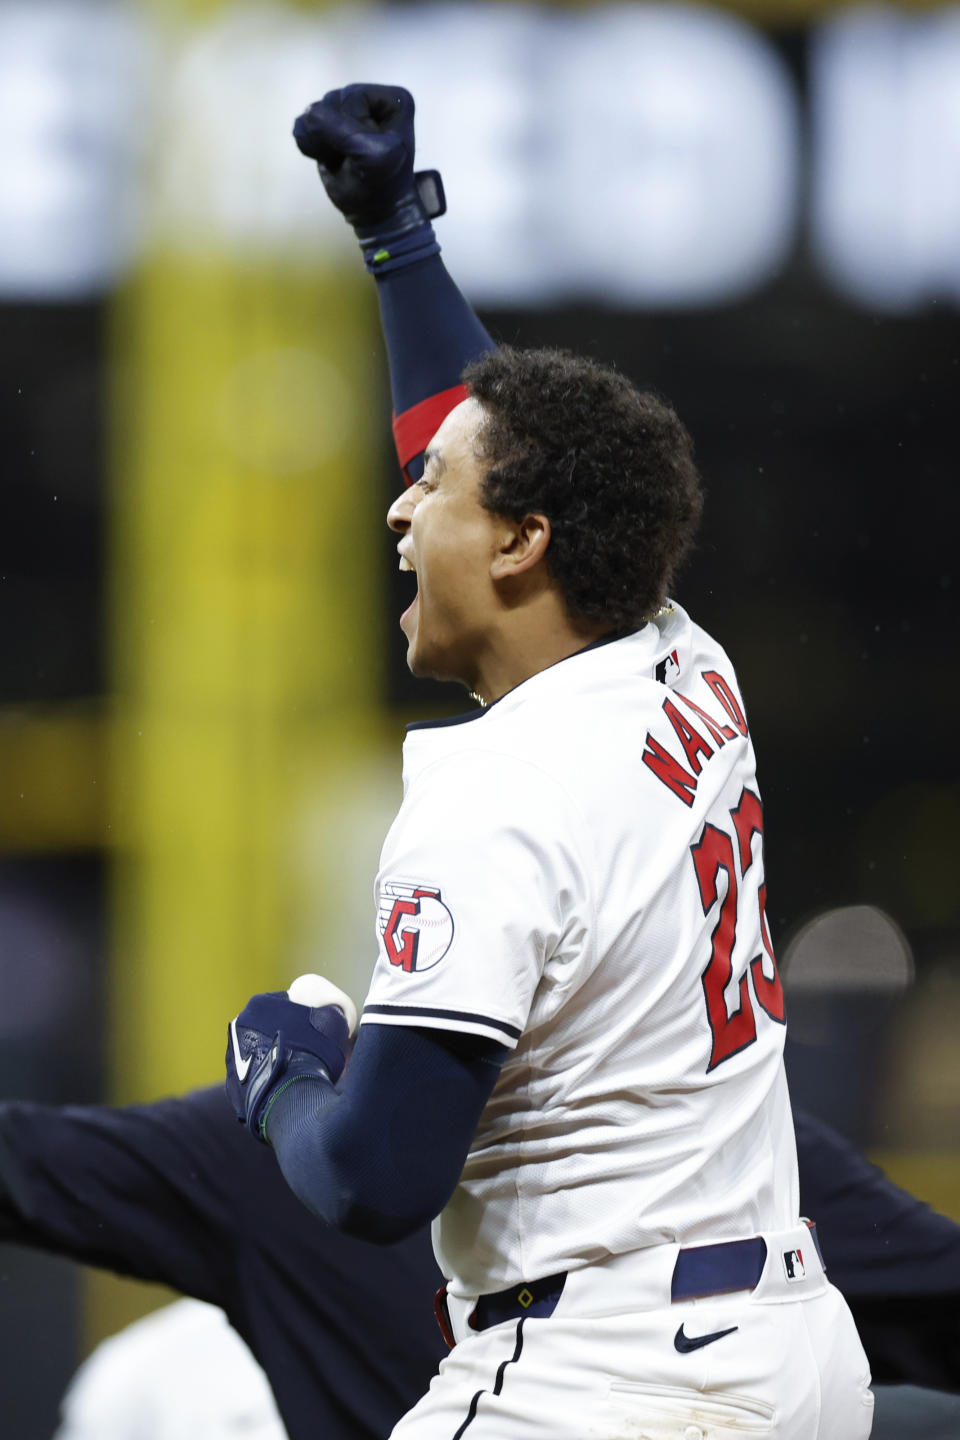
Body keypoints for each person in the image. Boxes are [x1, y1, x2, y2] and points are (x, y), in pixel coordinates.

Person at [223, 85, 873, 1438]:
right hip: (791, 1346)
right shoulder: (684, 660)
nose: (400, 502)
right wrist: (398, 236)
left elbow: (373, 1182)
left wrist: (281, 1080)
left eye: (433, 490)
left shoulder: (497, 800)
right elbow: (491, 435)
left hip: (607, 1378)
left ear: (522, 543)